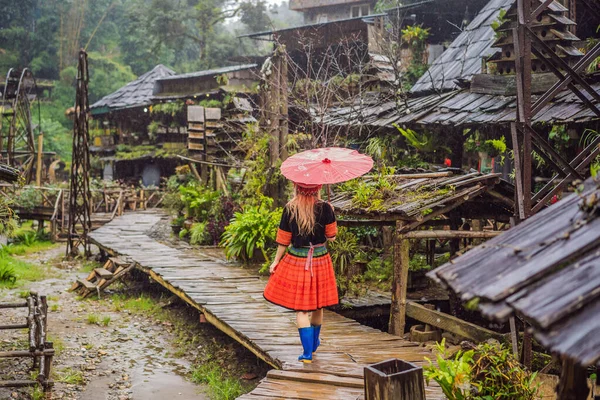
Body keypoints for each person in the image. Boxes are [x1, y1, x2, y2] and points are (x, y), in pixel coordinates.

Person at [263, 182, 338, 363]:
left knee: (302, 309)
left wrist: (275, 261)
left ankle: (307, 353)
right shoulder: (326, 208)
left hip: (298, 259)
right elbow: (332, 237)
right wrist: (332, 214)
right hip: (320, 258)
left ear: (297, 188)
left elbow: (283, 240)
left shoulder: (290, 208)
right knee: (318, 305)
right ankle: (313, 344)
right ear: (318, 188)